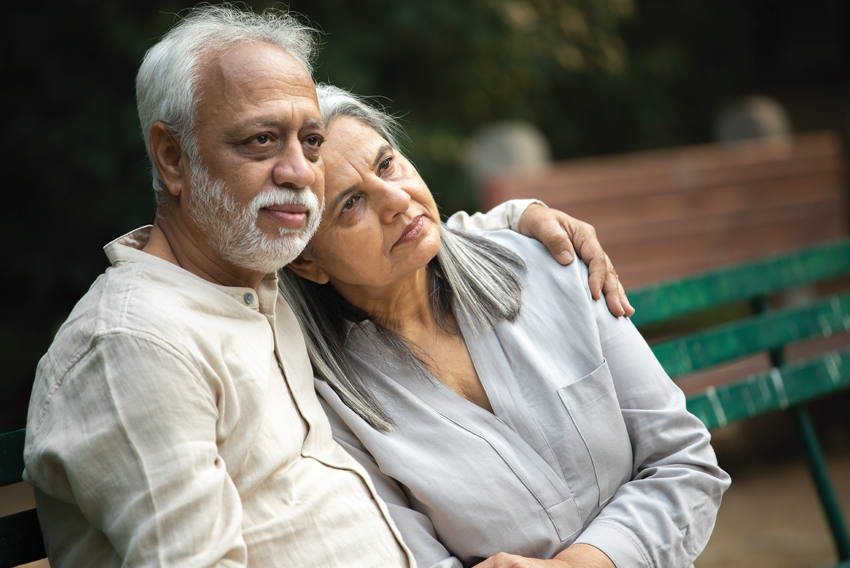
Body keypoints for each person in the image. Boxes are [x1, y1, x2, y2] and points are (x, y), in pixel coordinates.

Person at [23, 6, 629, 567]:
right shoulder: (138, 346)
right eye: (261, 140)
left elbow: (395, 236)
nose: (298, 174)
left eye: (309, 141)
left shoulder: (255, 283)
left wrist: (519, 220)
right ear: (172, 158)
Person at [279, 84, 731, 568]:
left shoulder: (547, 267)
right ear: (308, 262)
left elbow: (685, 462)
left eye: (387, 164)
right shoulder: (334, 411)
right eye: (351, 204)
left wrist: (585, 564)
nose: (396, 200)